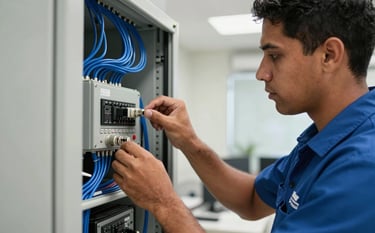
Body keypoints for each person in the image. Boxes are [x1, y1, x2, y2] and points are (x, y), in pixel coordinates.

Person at [112, 0, 375, 232]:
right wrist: (189, 142)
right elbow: (250, 199)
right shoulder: (320, 142)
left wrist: (164, 203)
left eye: (274, 55)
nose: (261, 73)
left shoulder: (363, 166)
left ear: (329, 55)